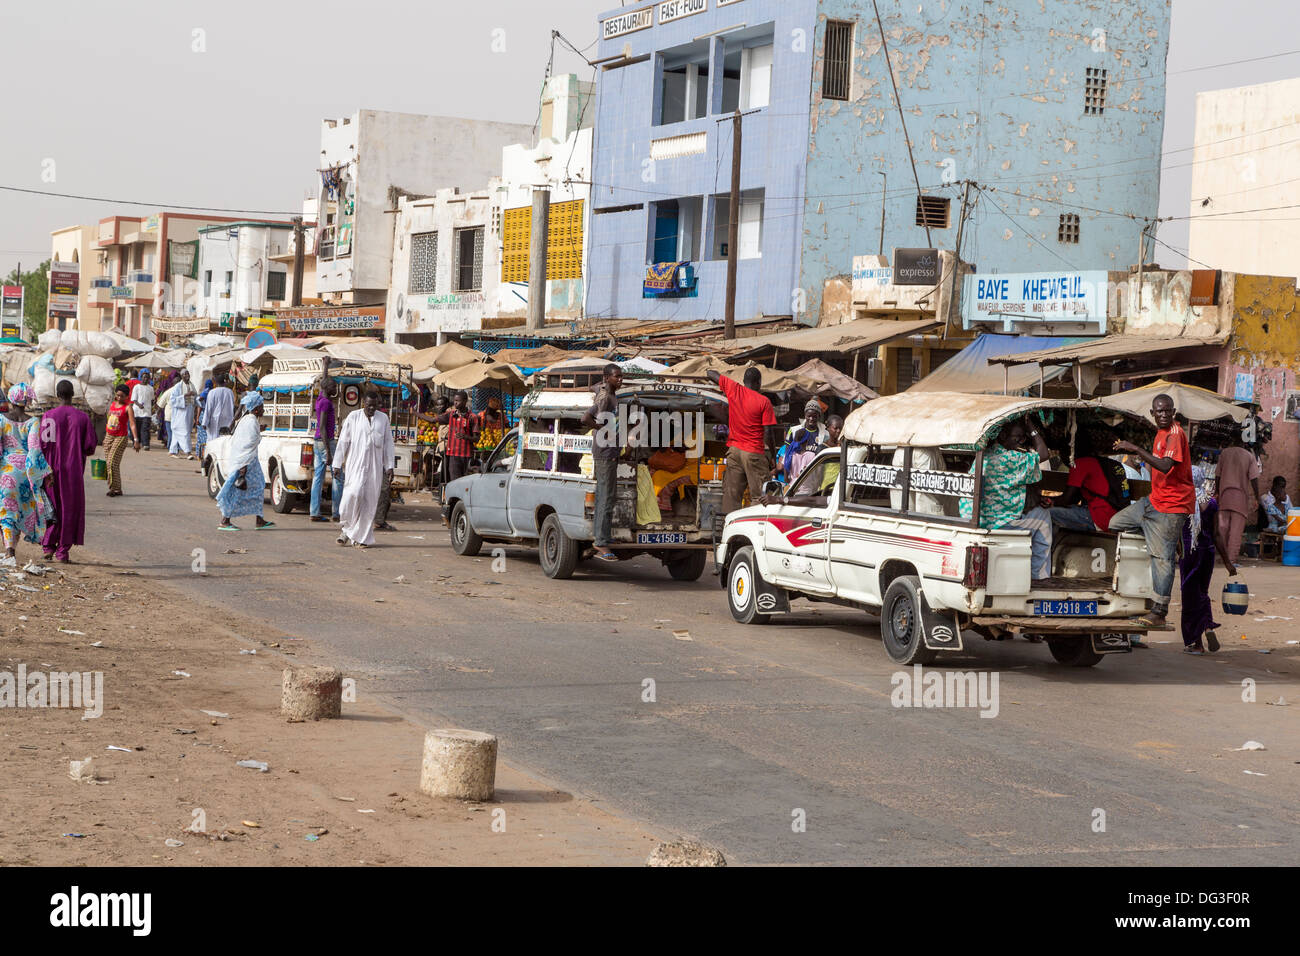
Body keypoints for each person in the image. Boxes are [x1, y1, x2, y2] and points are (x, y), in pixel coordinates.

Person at [1111, 394, 1194, 628]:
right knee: (1114, 523)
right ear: (1153, 413)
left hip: (1172, 506)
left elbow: (1166, 466)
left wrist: (1134, 448)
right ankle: (1164, 538)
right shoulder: (1160, 434)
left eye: (1168, 411)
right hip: (1153, 501)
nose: (1164, 415)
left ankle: (1159, 611)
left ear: (1174, 412)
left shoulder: (1176, 435)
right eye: (1159, 411)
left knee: (1162, 560)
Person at [959, 417, 1055, 581]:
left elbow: (1006, 491)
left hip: (978, 518)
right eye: (1017, 437)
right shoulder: (1009, 458)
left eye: (1023, 438)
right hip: (997, 521)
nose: (1020, 441)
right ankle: (1039, 576)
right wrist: (1031, 428)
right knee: (1044, 518)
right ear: (1002, 436)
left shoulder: (985, 456)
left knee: (1036, 512)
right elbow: (1044, 454)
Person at [39, 379, 98, 563]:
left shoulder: (48, 416)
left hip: (50, 471)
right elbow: (90, 447)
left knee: (52, 507)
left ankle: (48, 546)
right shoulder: (83, 418)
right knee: (69, 510)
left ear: (57, 395)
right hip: (73, 472)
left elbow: (42, 445)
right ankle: (63, 551)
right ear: (73, 395)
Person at [1180, 466, 1237, 655]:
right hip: (1208, 553)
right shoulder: (1211, 503)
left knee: (1190, 596)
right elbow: (1217, 534)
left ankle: (1196, 643)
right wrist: (1228, 562)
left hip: (1189, 553)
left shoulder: (1182, 501)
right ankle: (1207, 627)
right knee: (1202, 593)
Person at [707, 366, 779, 514]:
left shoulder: (734, 389)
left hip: (734, 451)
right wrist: (773, 455)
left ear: (744, 381)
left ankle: (729, 530)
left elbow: (710, 373)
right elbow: (769, 433)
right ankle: (753, 530)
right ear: (759, 382)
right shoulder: (764, 401)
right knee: (760, 496)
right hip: (753, 453)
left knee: (731, 496)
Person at [0, 384, 54, 567]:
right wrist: (44, 472)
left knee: (7, 512)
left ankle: (9, 551)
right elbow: (34, 451)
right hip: (25, 474)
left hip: (6, 472)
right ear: (27, 401)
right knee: (18, 511)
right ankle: (11, 551)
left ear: (11, 399)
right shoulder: (33, 422)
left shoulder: (1, 419)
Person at [333, 388, 394, 549]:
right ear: (363, 404)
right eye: (369, 406)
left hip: (374, 467)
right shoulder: (353, 417)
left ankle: (361, 538)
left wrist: (389, 466)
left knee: (369, 501)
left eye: (375, 406)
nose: (372, 409)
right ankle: (347, 529)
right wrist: (337, 463)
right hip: (355, 465)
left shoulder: (383, 419)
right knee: (352, 495)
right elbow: (343, 442)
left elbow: (388, 444)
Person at [581, 364, 623, 562]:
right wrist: (601, 429)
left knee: (605, 497)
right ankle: (601, 541)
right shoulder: (606, 398)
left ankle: (602, 536)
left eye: (621, 377)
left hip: (610, 452)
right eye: (617, 377)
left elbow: (595, 388)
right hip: (604, 453)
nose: (620, 380)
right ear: (608, 377)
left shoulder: (609, 393)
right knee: (606, 498)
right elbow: (586, 418)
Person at [216, 392, 274, 532]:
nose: (263, 409)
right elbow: (247, 443)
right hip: (245, 463)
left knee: (259, 487)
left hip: (249, 461)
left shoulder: (248, 419)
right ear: (255, 409)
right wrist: (243, 467)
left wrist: (259, 430)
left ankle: (259, 519)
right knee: (237, 491)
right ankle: (225, 520)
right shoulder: (250, 421)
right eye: (261, 407)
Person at [1215, 433, 1261, 564]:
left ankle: (1223, 557)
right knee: (1236, 530)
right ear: (1244, 443)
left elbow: (1217, 475)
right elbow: (1254, 479)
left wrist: (1217, 492)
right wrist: (1257, 498)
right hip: (1240, 498)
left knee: (1222, 528)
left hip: (1224, 496)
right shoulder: (1249, 456)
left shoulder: (1224, 454)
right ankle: (1231, 559)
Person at [310, 379, 341, 523]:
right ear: (328, 388)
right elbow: (322, 426)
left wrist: (326, 366)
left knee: (318, 478)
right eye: (334, 386)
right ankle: (337, 512)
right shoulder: (325, 402)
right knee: (338, 476)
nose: (336, 389)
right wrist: (328, 451)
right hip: (325, 441)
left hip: (318, 441)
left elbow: (324, 381)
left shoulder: (321, 398)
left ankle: (314, 511)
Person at [102, 383, 140, 496]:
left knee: (111, 462)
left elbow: (132, 424)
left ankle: (112, 488)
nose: (119, 398)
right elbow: (109, 420)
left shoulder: (128, 408)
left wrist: (136, 440)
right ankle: (118, 489)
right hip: (109, 436)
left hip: (121, 437)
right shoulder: (112, 404)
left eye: (122, 396)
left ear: (127, 396)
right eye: (118, 395)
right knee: (113, 464)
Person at [436, 390, 479, 486]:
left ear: (464, 401)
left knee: (465, 482)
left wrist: (465, 437)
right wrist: (415, 413)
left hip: (466, 455)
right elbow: (432, 420)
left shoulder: (472, 417)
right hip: (453, 455)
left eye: (457, 401)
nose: (455, 403)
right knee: (454, 482)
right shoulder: (451, 414)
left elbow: (477, 439)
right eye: (454, 400)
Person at [781, 400, 830, 480]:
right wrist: (786, 478)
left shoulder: (825, 433)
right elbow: (787, 454)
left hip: (815, 476)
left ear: (819, 416)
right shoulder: (793, 431)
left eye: (814, 416)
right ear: (805, 415)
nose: (811, 419)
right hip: (795, 477)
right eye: (809, 416)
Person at [167, 369, 198, 459]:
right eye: (185, 374)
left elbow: (195, 397)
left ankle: (172, 451)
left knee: (181, 431)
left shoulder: (192, 385)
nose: (187, 375)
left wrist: (198, 398)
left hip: (190, 410)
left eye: (188, 373)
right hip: (181, 412)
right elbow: (173, 400)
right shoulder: (177, 387)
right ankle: (188, 452)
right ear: (181, 376)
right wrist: (185, 396)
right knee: (184, 432)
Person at [202, 372, 236, 438]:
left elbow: (208, 408)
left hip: (214, 421)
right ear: (224, 382)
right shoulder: (230, 392)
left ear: (215, 382)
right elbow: (233, 406)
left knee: (214, 441)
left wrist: (204, 423)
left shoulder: (212, 392)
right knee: (225, 439)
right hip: (227, 419)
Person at [129, 371, 155, 451]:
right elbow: (134, 399)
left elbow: (152, 399)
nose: (145, 379)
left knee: (145, 428)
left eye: (147, 377)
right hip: (137, 411)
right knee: (137, 428)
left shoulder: (151, 388)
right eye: (144, 377)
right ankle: (136, 443)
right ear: (141, 378)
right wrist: (139, 404)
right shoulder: (137, 387)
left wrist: (151, 407)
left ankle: (146, 444)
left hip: (147, 412)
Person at [194, 377, 213, 465]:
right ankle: (205, 454)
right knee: (207, 437)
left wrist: (197, 418)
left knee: (201, 437)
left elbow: (199, 406)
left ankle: (199, 454)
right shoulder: (212, 393)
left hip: (203, 415)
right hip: (210, 416)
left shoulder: (205, 392)